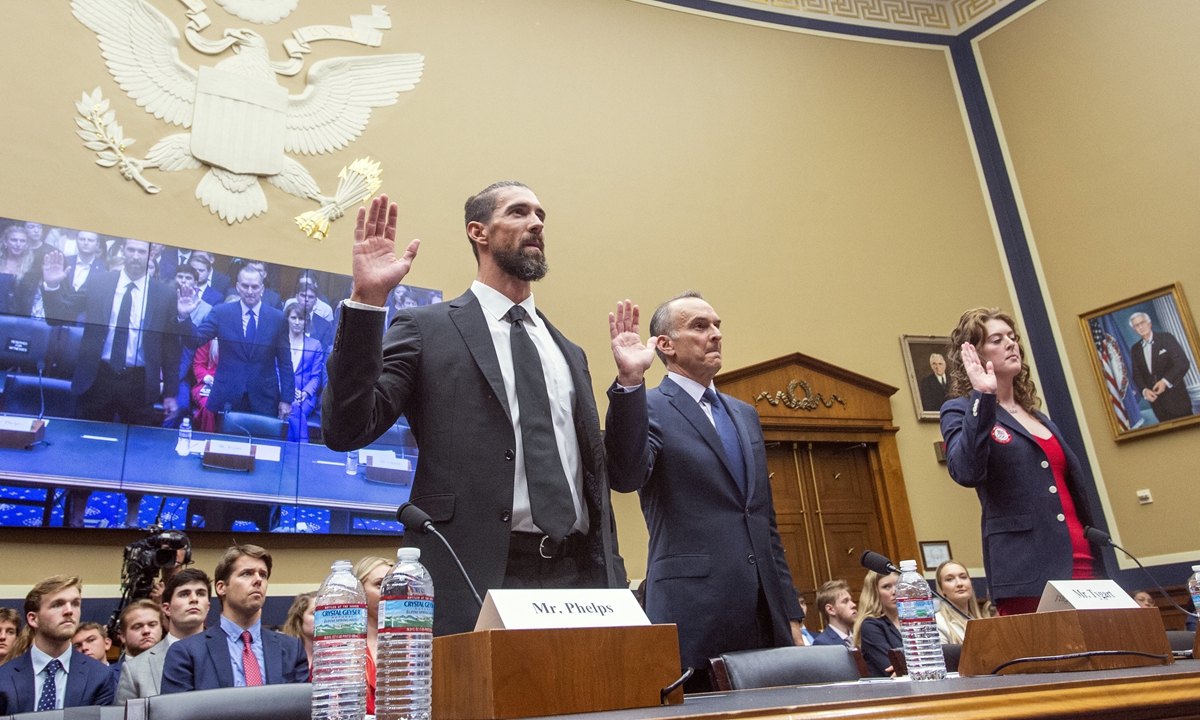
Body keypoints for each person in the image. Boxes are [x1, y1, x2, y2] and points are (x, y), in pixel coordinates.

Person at [322, 185, 623, 636]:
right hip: (475, 573)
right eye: (519, 212)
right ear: (478, 232)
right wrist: (367, 303)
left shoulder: (569, 351)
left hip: (578, 577)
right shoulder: (428, 328)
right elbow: (347, 428)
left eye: (541, 215)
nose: (537, 223)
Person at [603, 294, 804, 689]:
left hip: (765, 616)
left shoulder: (744, 413)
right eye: (699, 326)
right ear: (665, 344)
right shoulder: (651, 405)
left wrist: (789, 610)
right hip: (694, 613)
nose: (715, 335)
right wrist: (630, 382)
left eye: (716, 325)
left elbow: (763, 520)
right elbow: (625, 476)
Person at [941, 307, 1103, 616]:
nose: (1011, 344)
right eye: (997, 339)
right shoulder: (960, 410)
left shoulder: (1040, 418)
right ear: (974, 354)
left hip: (1081, 558)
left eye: (1012, 338)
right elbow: (966, 471)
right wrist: (983, 397)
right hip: (1027, 571)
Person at [41, 238, 182, 426]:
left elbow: (170, 348)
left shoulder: (165, 294)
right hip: (97, 377)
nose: (135, 256)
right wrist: (52, 287)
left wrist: (170, 393)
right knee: (88, 442)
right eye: (131, 250)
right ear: (122, 251)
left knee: (136, 448)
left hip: (140, 383)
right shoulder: (99, 283)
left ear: (151, 255)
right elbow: (56, 318)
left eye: (141, 251)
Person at [161, 545, 307, 692]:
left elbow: (300, 710)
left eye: (263, 575)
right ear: (221, 587)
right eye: (247, 574)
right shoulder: (187, 653)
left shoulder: (292, 649)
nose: (258, 580)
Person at [177, 265, 294, 420]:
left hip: (265, 398)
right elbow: (195, 340)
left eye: (254, 287)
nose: (250, 291)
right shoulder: (221, 312)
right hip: (227, 395)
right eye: (245, 286)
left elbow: (285, 362)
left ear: (262, 288)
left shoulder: (277, 319)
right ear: (238, 287)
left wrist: (286, 399)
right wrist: (184, 317)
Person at [0, 576, 115, 712]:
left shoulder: (99, 676)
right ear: (33, 619)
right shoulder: (4, 677)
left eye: (75, 604)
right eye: (57, 604)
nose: (69, 611)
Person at [117, 569, 212, 703]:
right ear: (166, 608)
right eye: (184, 594)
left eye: (201, 594)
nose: (194, 599)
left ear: (208, 606)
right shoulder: (135, 669)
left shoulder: (229, 653)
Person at [1128, 312, 1194, 422]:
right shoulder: (1135, 349)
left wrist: (1165, 381)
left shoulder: (1166, 338)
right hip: (1158, 405)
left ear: (1149, 323)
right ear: (1134, 329)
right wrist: (1144, 391)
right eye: (1136, 325)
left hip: (1178, 400)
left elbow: (1182, 363)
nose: (1140, 327)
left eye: (1142, 322)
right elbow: (1137, 375)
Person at [353, 556, 391, 715]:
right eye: (379, 584)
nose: (389, 591)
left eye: (395, 584)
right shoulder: (341, 647)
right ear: (358, 591)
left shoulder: (412, 645)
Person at [285, 303, 325, 442]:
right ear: (287, 319)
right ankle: (302, 448)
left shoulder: (315, 345)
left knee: (295, 407)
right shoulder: (281, 342)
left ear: (306, 321)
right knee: (294, 408)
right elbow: (276, 371)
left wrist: (306, 392)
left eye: (301, 319)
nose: (297, 322)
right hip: (283, 393)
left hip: (306, 397)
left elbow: (316, 377)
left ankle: (291, 451)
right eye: (293, 318)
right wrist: (288, 390)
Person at [852, 569, 901, 677]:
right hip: (889, 691)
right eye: (887, 587)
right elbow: (892, 671)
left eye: (898, 585)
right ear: (874, 593)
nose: (894, 591)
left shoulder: (910, 620)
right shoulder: (870, 626)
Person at [933, 561, 983, 644]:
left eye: (963, 577)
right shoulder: (937, 623)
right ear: (942, 589)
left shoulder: (982, 621)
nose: (959, 583)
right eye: (950, 579)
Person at [0, 224, 41, 316]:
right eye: (14, 240)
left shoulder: (33, 269)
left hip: (19, 319)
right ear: (6, 242)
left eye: (22, 241)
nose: (18, 244)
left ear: (26, 244)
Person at [288, 275, 334, 350]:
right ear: (297, 297)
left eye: (311, 297)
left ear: (316, 300)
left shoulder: (324, 325)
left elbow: (325, 353)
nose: (306, 299)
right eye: (303, 295)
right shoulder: (285, 320)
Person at [812, 579, 857, 648]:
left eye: (851, 600)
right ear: (830, 609)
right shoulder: (823, 643)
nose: (853, 605)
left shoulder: (861, 636)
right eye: (845, 601)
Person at [279, 592, 315, 671]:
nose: (322, 619)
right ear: (299, 618)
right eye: (315, 613)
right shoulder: (282, 653)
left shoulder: (338, 655)